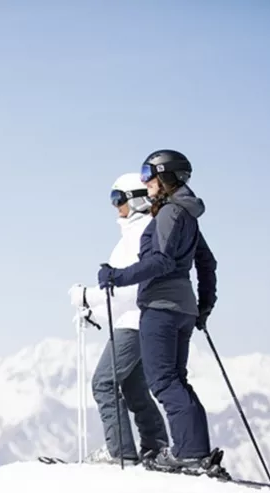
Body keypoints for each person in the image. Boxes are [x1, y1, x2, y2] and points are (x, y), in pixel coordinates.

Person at [96, 149, 218, 472]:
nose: (145, 180)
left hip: (160, 308)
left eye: (149, 173)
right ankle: (196, 450)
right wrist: (204, 305)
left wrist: (116, 276)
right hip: (184, 310)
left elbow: (160, 261)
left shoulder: (168, 214)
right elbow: (207, 263)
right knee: (177, 380)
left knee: (163, 382)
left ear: (166, 177)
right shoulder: (187, 215)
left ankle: (189, 452)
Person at [69, 172, 169, 465]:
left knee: (103, 382)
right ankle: (155, 448)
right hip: (136, 320)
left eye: (118, 199)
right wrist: (95, 312)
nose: (115, 206)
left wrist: (87, 296)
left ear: (137, 200)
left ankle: (120, 454)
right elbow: (120, 295)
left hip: (135, 323)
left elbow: (133, 287)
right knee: (134, 387)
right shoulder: (134, 233)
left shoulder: (140, 234)